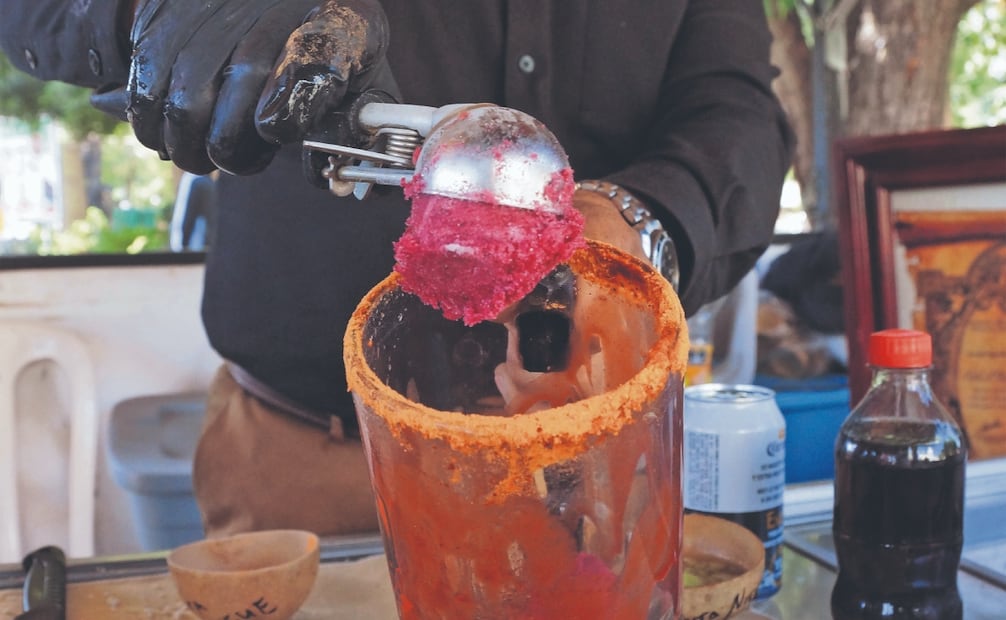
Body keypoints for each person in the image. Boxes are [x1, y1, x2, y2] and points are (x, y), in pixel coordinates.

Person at [1, 0, 794, 539]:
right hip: (306, 469)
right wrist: (156, 15)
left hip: (598, 472)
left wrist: (633, 220)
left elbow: (740, 115)